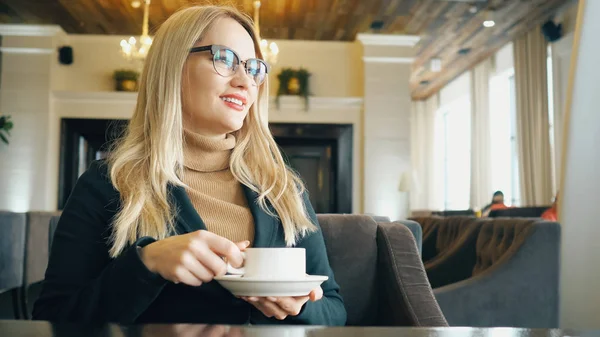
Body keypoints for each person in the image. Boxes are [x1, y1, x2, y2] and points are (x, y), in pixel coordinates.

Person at [32, 5, 346, 326]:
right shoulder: (107, 183)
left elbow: (334, 309)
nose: (245, 81)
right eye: (224, 58)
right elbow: (54, 318)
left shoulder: (282, 188)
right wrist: (147, 264)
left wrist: (299, 307)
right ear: (173, 66)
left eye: (253, 68)